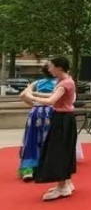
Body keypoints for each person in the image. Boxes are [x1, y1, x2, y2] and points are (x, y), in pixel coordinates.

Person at [23, 56, 78, 201]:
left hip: (62, 119)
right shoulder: (64, 81)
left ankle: (62, 187)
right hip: (63, 118)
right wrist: (33, 93)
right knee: (63, 150)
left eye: (51, 66)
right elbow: (53, 95)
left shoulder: (65, 83)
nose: (49, 69)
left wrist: (30, 96)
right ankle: (66, 182)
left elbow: (50, 100)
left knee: (58, 151)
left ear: (59, 67)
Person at [18, 64, 57, 181]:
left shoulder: (37, 83)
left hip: (35, 112)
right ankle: (48, 166)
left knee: (31, 138)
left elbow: (22, 95)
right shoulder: (58, 83)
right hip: (51, 112)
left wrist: (34, 104)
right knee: (50, 139)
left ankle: (28, 169)